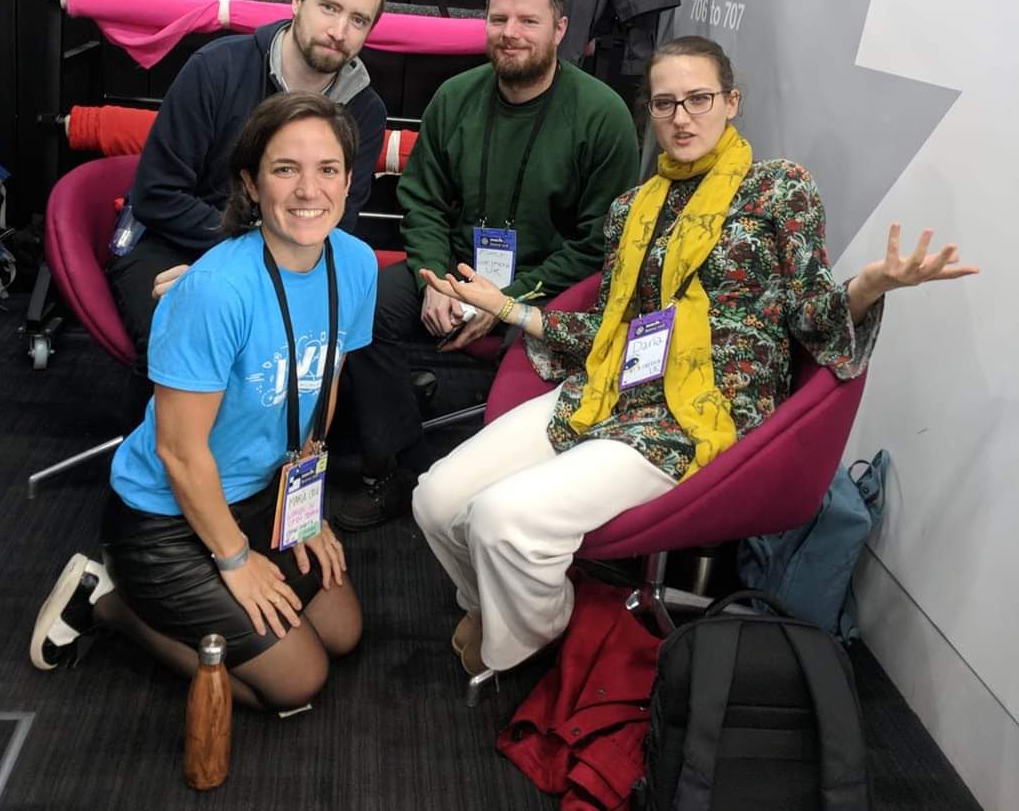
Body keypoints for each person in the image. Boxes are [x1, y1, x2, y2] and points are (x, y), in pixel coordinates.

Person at [412, 36, 978, 677]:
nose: (681, 117)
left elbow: (811, 320)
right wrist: (508, 307)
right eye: (665, 103)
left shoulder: (779, 189)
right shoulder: (633, 207)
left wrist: (870, 286)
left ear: (731, 102)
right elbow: (606, 329)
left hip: (702, 412)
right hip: (614, 389)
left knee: (500, 519)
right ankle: (503, 605)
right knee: (435, 498)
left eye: (699, 99)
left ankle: (524, 641)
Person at [31, 92, 378, 712]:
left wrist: (305, 511)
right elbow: (179, 451)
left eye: (327, 169)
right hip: (163, 514)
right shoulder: (215, 291)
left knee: (344, 634)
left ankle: (183, 592)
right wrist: (236, 560)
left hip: (259, 494)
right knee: (300, 681)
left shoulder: (355, 265)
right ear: (250, 182)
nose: (308, 190)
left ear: (350, 181)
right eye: (284, 169)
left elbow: (321, 393)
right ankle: (108, 600)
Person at [333, 0, 641, 532]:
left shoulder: (604, 116)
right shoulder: (455, 98)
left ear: (560, 29)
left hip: (549, 291)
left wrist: (503, 301)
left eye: (529, 20)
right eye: (498, 18)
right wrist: (432, 279)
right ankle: (391, 465)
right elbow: (421, 199)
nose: (511, 32)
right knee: (364, 307)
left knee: (527, 363)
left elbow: (600, 244)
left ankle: (495, 507)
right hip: (454, 273)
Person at [107, 0, 388, 379]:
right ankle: (170, 447)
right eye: (329, 7)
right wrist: (233, 267)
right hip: (176, 241)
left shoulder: (366, 111)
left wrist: (260, 262)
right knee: (191, 337)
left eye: (358, 20)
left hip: (289, 256)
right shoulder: (214, 69)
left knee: (345, 355)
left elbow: (341, 218)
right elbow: (156, 195)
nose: (339, 30)